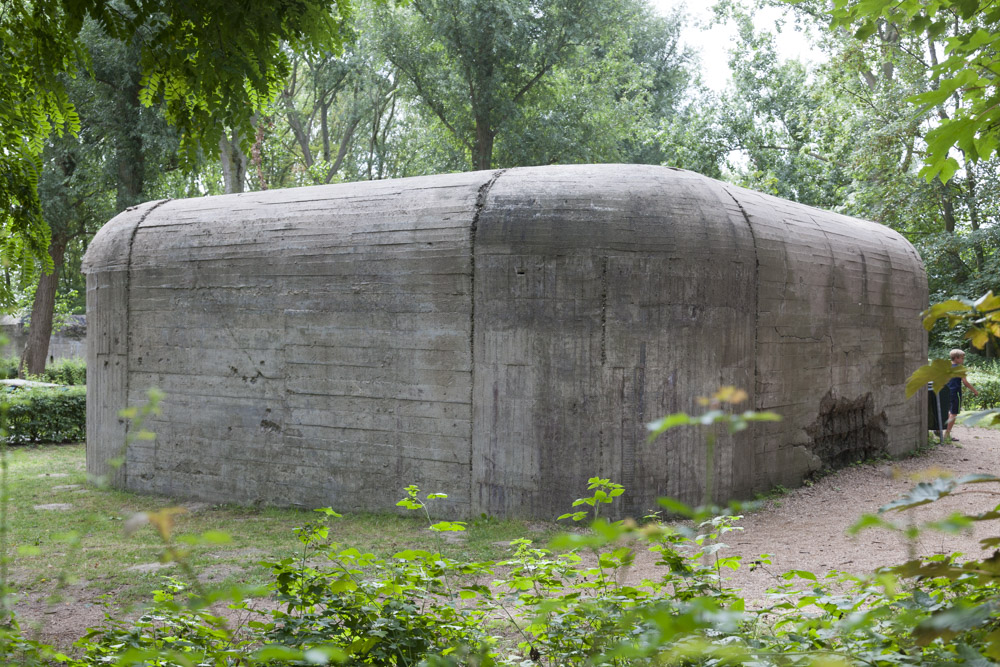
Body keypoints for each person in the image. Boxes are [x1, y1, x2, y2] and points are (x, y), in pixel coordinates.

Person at [945, 348, 979, 442]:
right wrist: (975, 391)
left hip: (947, 392)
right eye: (962, 358)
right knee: (954, 413)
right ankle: (947, 434)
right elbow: (965, 382)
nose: (963, 360)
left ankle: (941, 430)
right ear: (956, 358)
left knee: (948, 412)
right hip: (956, 393)